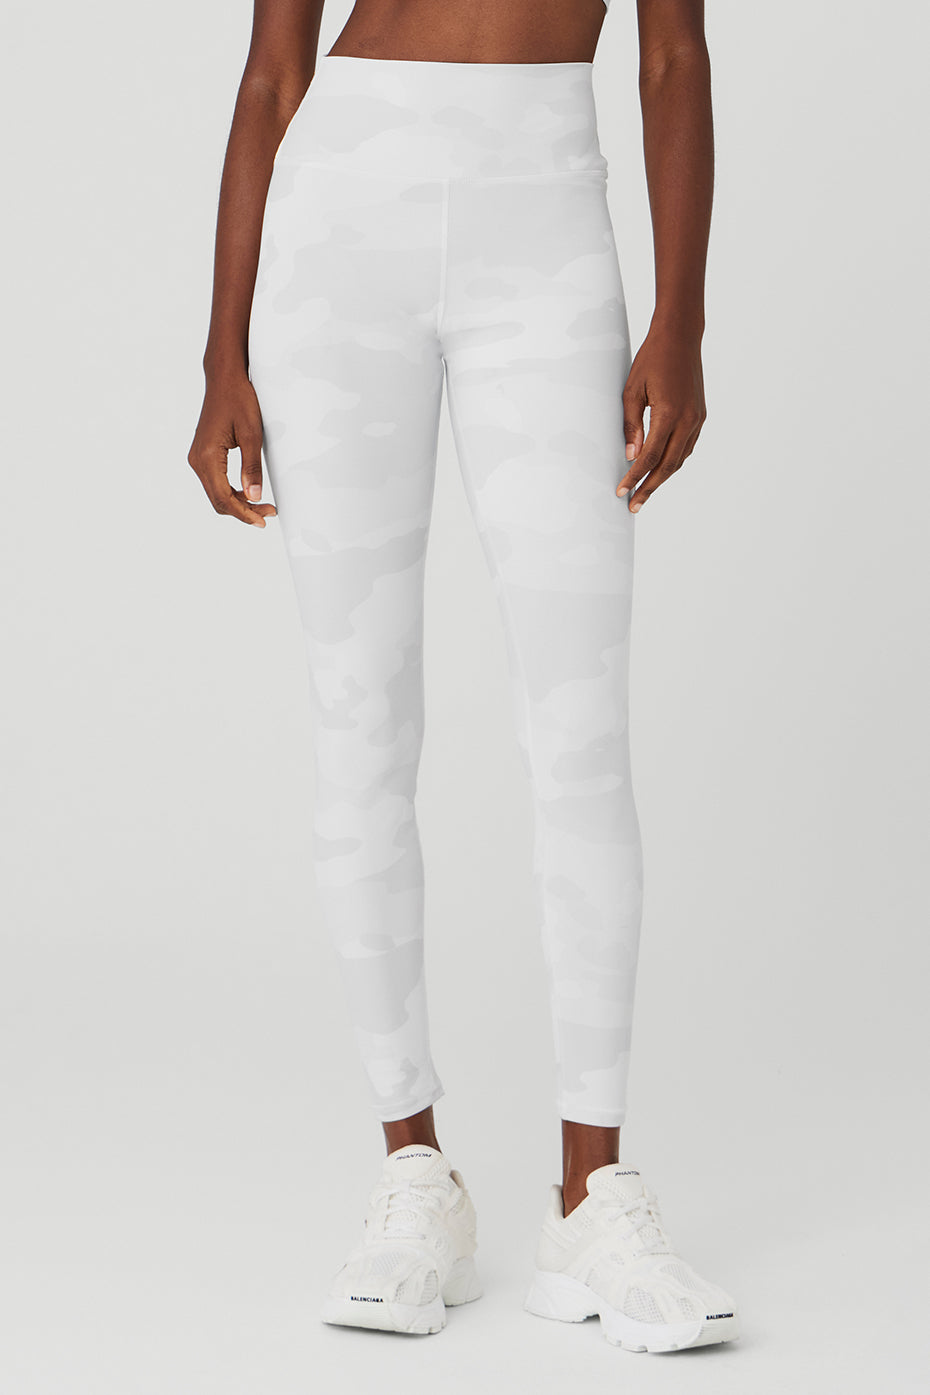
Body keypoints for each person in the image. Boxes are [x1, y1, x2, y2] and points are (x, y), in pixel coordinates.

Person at [188, 0, 738, 1353]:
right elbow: (271, 73)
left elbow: (672, 53)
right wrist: (220, 352)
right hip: (339, 228)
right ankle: (412, 1174)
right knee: (360, 715)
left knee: (580, 724)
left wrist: (680, 317)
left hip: (544, 225)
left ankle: (591, 1193)